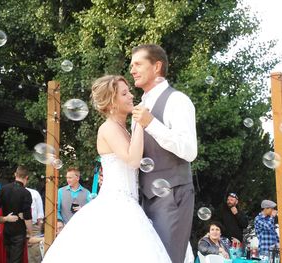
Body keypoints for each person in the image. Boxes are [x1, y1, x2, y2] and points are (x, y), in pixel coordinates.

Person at [42, 75, 171, 262]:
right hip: (116, 204)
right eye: (124, 93)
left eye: (129, 92)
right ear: (111, 102)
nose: (130, 96)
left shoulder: (123, 129)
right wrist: (142, 125)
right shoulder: (108, 128)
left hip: (130, 203)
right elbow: (133, 160)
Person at [130, 44, 197, 263]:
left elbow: (189, 151)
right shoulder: (140, 106)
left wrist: (151, 124)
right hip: (142, 198)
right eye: (131, 65)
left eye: (138, 64)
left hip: (172, 195)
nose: (132, 70)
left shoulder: (178, 100)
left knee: (167, 259)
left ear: (157, 66)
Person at [0, 165, 33, 263]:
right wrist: (31, 234)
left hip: (6, 230)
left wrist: (4, 218)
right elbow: (27, 217)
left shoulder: (4, 189)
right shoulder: (26, 193)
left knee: (9, 258)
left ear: (15, 174)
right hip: (19, 231)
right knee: (16, 260)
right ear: (26, 177)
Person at [26, 187, 44, 263]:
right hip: (17, 227)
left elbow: (40, 214)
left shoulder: (34, 193)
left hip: (33, 226)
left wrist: (38, 229)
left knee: (35, 255)